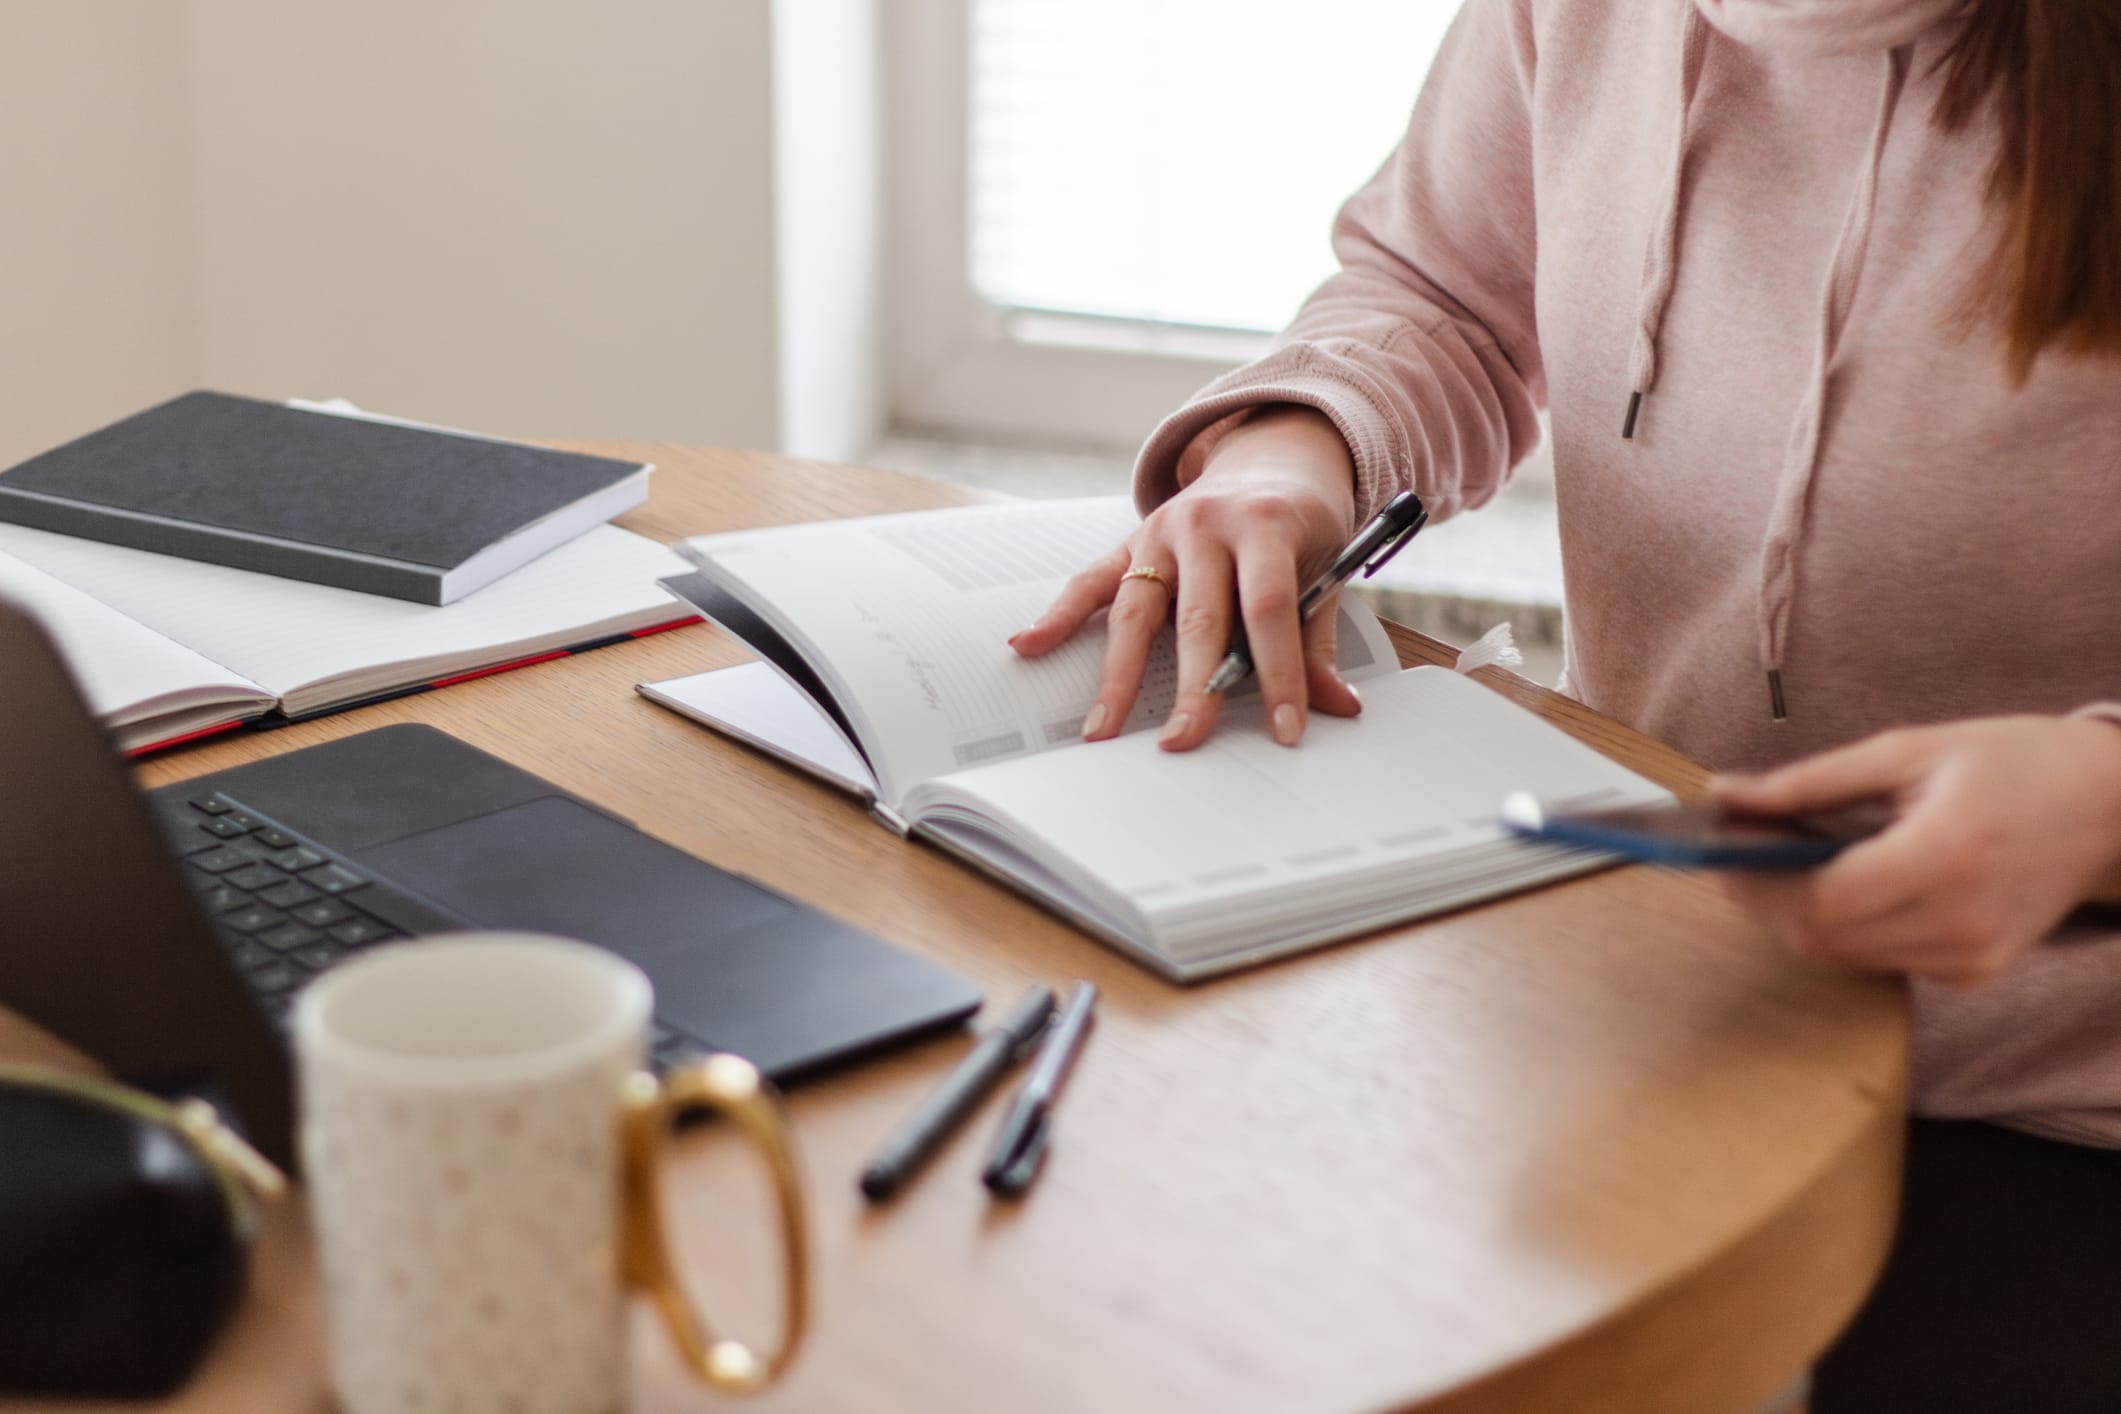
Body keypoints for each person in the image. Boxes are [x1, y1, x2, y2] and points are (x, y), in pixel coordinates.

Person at [1011, 0, 2121, 1406]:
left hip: (2044, 1114)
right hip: (1645, 995)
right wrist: (1301, 449)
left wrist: (2091, 812)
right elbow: (1440, 295)